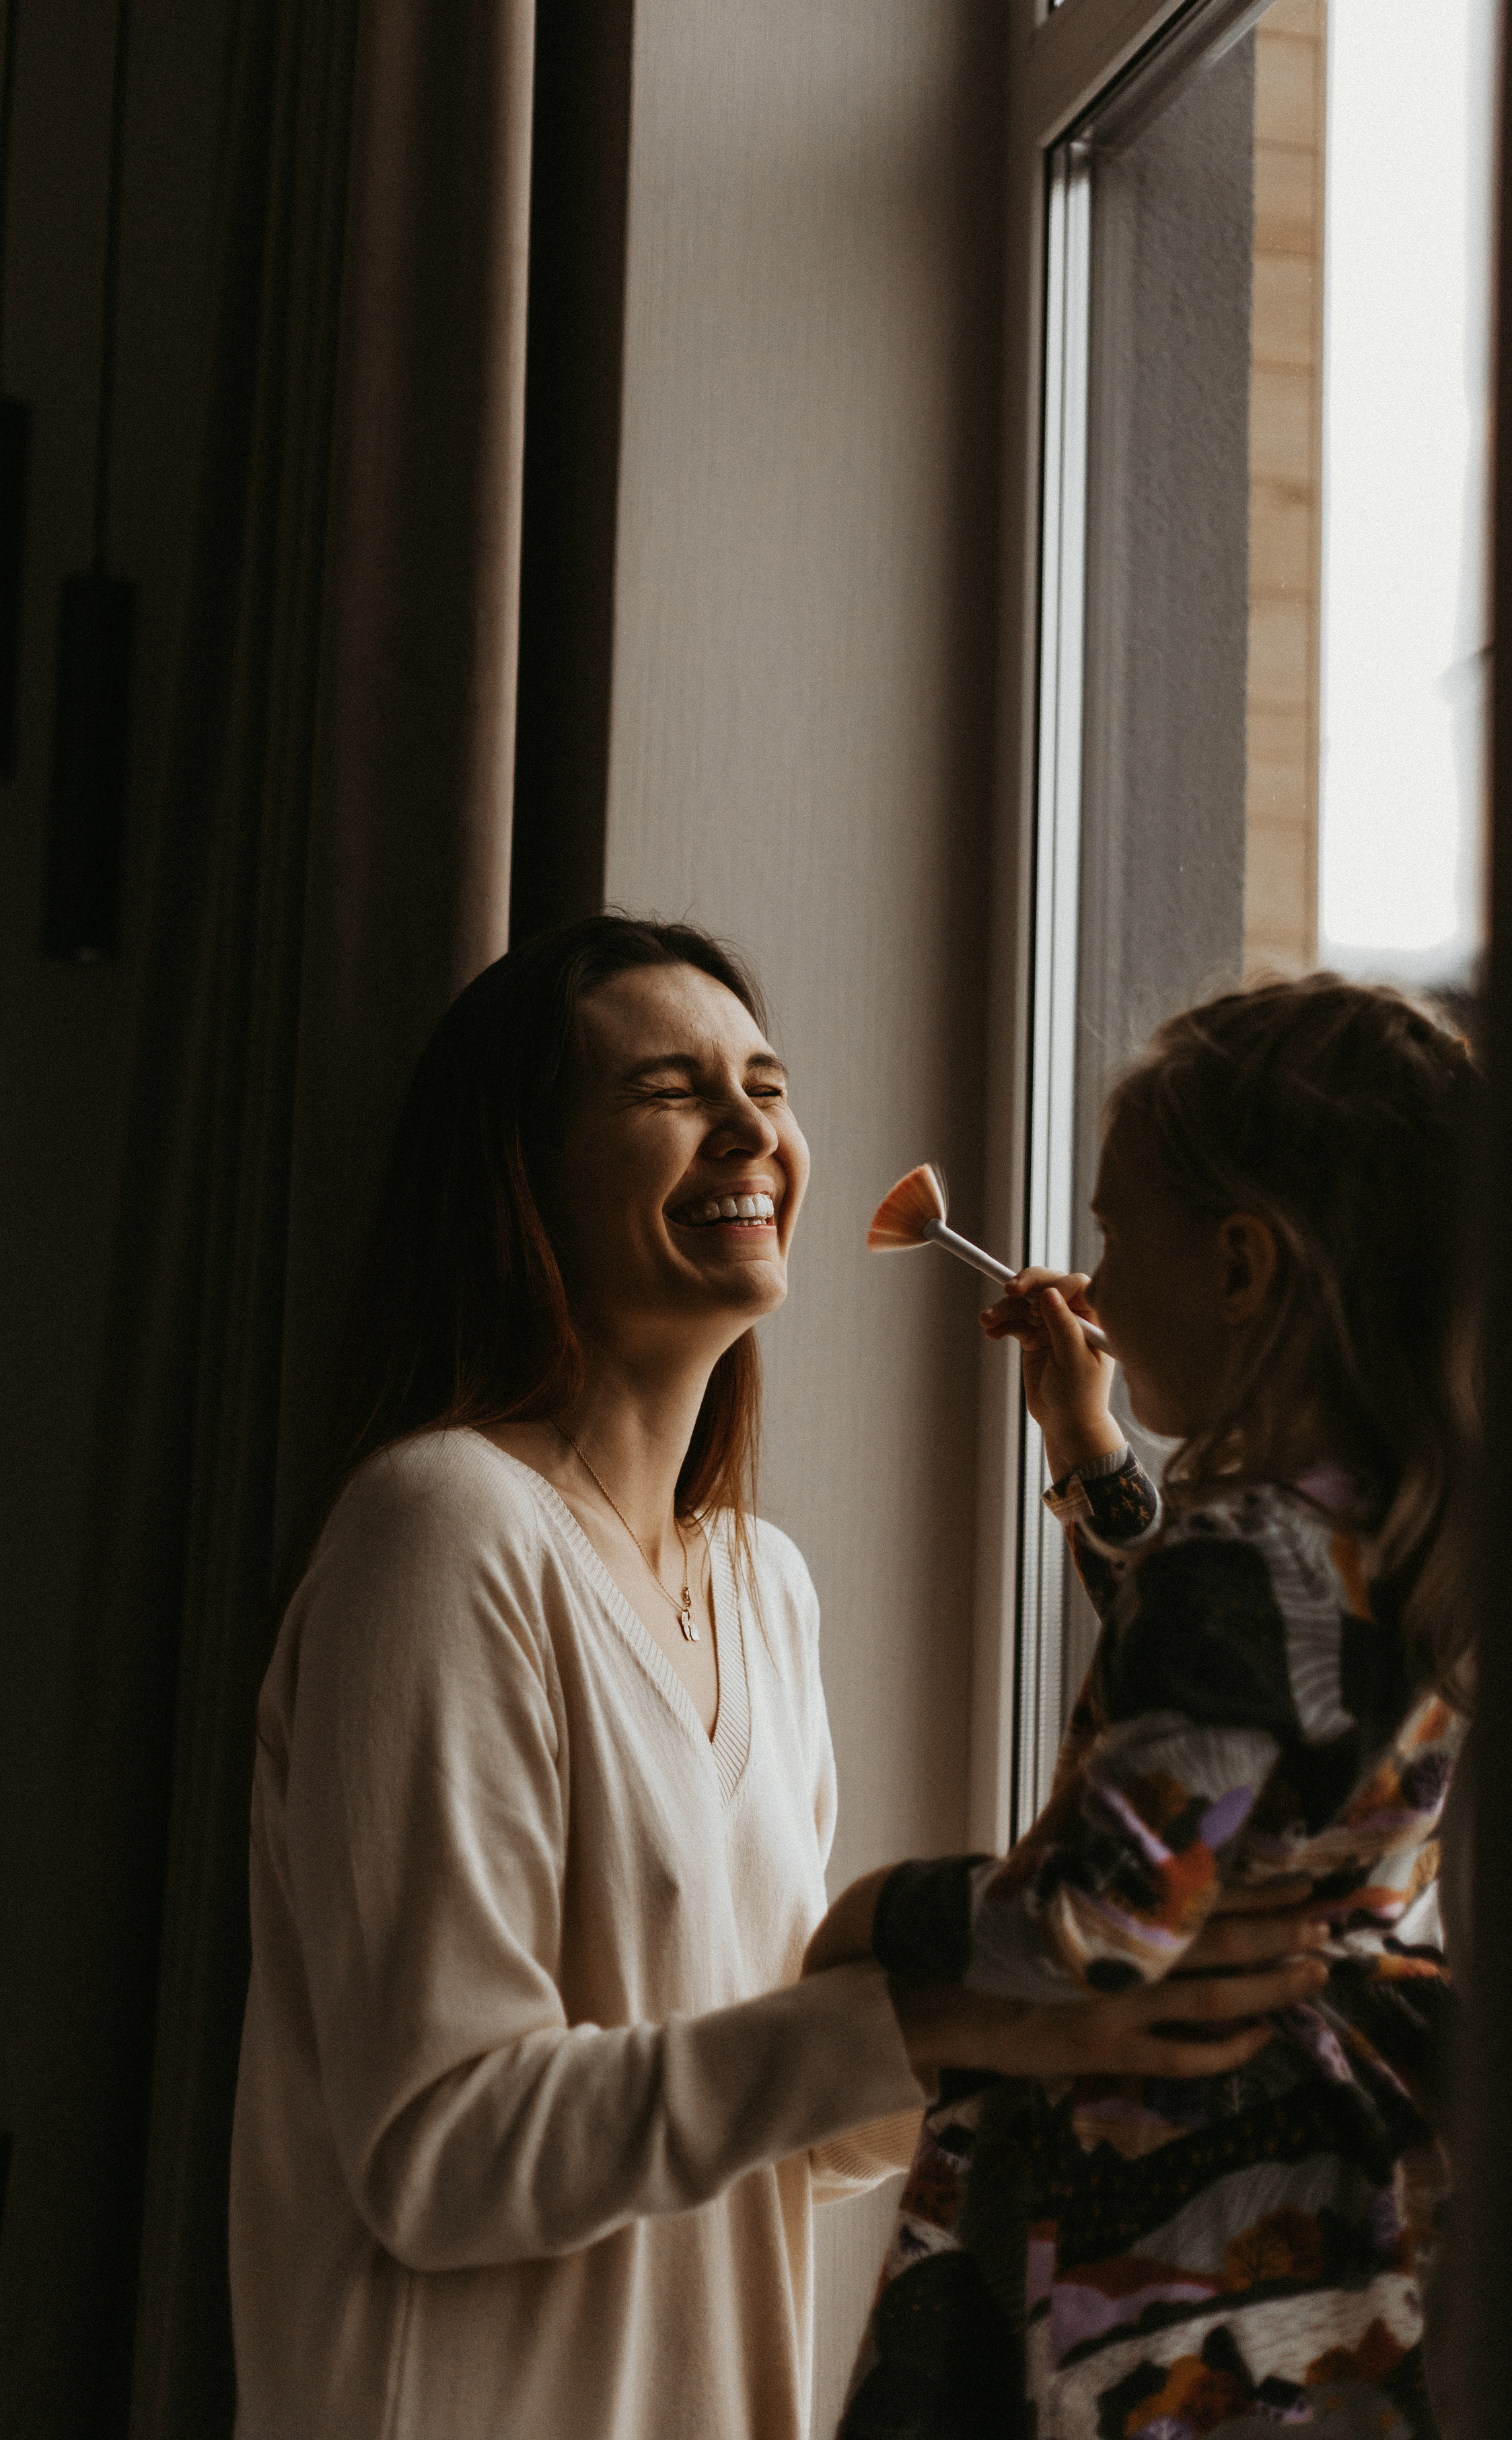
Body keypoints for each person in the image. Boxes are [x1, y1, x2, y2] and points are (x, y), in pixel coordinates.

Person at [228, 917, 1334, 2440]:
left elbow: (785, 2120)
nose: (751, 1126)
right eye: (668, 1090)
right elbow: (443, 2155)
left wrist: (1039, 2009)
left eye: (765, 1082)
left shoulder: (765, 1587)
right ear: (518, 1172)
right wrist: (936, 2008)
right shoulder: (442, 1531)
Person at [809, 975, 1478, 2439]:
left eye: (1113, 1232)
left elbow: (1097, 1929)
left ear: (1240, 1267)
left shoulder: (1237, 1563)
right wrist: (1089, 1449)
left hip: (1168, 2193)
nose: (1091, 1284)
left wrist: (881, 1920)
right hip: (1346, 2191)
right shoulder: (1393, 1538)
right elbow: (1252, 1722)